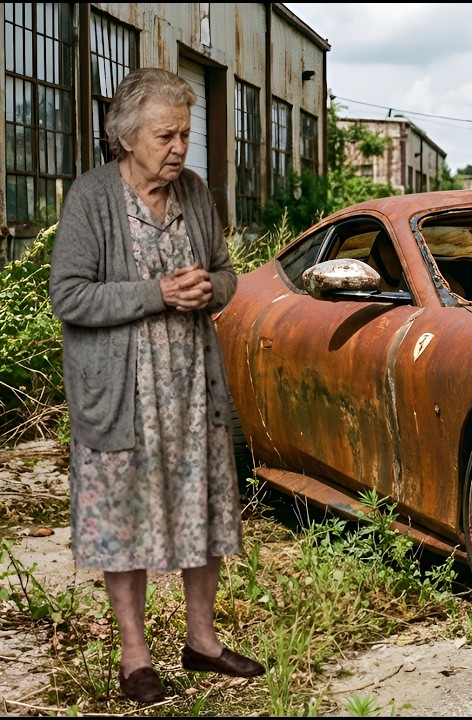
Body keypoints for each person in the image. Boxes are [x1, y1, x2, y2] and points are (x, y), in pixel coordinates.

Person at [49, 67, 264, 704]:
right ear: (126, 136)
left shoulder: (195, 193)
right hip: (122, 394)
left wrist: (209, 290)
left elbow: (225, 274)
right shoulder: (91, 198)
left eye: (185, 135)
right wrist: (158, 292)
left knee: (204, 509)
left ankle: (202, 642)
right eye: (164, 135)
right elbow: (69, 295)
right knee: (125, 520)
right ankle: (134, 657)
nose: (178, 148)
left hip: (192, 388)